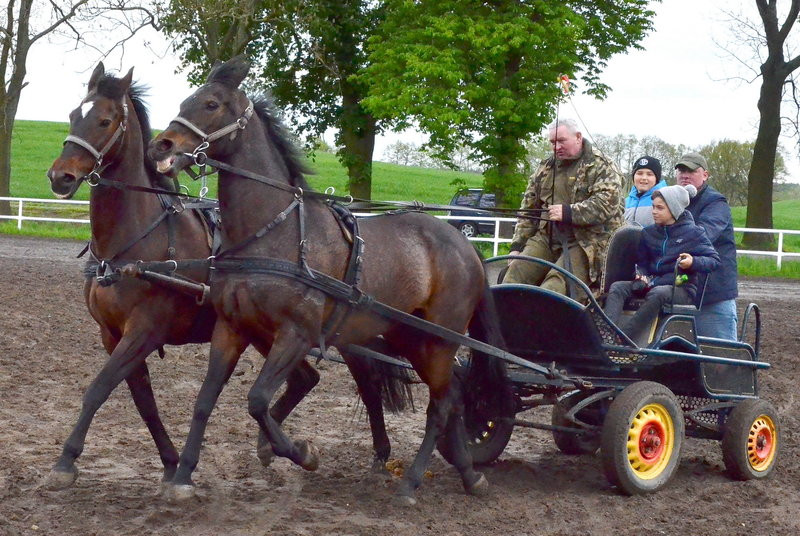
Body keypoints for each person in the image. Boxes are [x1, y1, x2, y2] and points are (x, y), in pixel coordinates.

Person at [504, 118, 624, 297]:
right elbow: (529, 209)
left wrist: (569, 212)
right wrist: (518, 245)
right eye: (552, 142)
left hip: (587, 242)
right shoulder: (545, 167)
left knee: (554, 288)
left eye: (561, 141)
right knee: (513, 277)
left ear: (578, 137)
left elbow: (606, 205)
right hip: (548, 237)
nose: (556, 146)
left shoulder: (602, 165)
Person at [604, 184, 720, 345]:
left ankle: (625, 336)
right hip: (652, 283)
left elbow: (714, 260)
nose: (654, 211)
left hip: (681, 288)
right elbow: (642, 262)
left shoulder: (694, 233)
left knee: (658, 292)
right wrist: (641, 274)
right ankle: (607, 334)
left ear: (674, 209)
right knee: (617, 287)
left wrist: (693, 262)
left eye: (660, 208)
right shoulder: (648, 233)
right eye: (653, 207)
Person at [675, 152, 739, 340]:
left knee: (721, 358)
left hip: (712, 295)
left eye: (692, 170)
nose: (685, 175)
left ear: (705, 175)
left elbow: (703, 235)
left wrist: (671, 241)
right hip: (679, 294)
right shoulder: (670, 201)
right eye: (681, 170)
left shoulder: (716, 202)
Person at [624, 156, 667, 226]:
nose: (644, 178)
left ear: (656, 179)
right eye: (639, 173)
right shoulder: (625, 202)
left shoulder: (666, 200)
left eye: (649, 174)